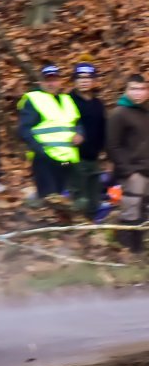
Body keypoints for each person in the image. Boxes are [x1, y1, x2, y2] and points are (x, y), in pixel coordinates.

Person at [18, 64, 83, 199]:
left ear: (60, 81)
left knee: (65, 199)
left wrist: (80, 133)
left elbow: (77, 122)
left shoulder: (67, 99)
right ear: (40, 82)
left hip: (67, 159)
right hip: (45, 160)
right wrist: (40, 150)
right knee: (50, 199)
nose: (51, 83)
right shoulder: (33, 99)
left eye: (54, 80)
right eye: (47, 80)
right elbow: (24, 130)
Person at [106, 74, 149, 253]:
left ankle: (140, 251)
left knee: (144, 211)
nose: (138, 93)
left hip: (147, 169)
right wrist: (128, 171)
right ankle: (127, 252)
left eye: (142, 89)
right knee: (131, 211)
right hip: (132, 171)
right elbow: (112, 145)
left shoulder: (146, 111)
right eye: (133, 89)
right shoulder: (119, 113)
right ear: (126, 90)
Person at [69, 61, 107, 218]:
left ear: (94, 80)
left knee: (94, 198)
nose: (84, 81)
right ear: (74, 80)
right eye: (80, 77)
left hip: (94, 158)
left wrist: (104, 152)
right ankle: (75, 225)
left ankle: (92, 224)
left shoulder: (98, 103)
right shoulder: (67, 101)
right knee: (79, 199)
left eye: (88, 77)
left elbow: (103, 128)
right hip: (73, 158)